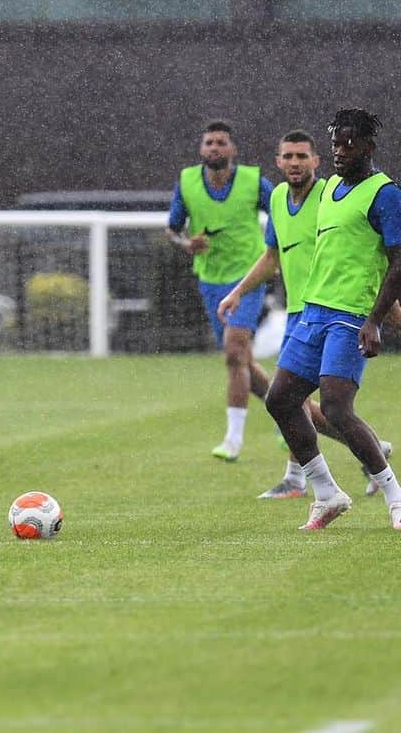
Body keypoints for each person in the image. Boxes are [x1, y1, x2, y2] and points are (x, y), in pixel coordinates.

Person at [218, 129, 392, 498]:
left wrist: (380, 315)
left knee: (321, 403)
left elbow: (366, 258)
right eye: (288, 156)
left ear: (317, 161)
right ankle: (321, 471)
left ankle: (357, 462)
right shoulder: (279, 198)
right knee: (293, 401)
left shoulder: (333, 194)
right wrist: (238, 292)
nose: (295, 163)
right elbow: (272, 258)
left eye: (302, 156)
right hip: (302, 312)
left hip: (336, 312)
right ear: (278, 162)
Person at [264, 108, 401, 530]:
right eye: (336, 144)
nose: (339, 152)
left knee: (337, 408)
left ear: (368, 147)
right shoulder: (328, 192)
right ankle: (326, 493)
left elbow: (397, 263)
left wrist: (375, 320)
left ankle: (395, 496)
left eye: (349, 144)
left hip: (349, 316)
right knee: (280, 400)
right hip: (312, 312)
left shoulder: (386, 194)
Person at [165, 120, 274, 462]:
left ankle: (233, 441)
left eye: (221, 142)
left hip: (248, 278)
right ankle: (296, 414)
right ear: (201, 149)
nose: (214, 148)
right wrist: (186, 244)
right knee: (242, 361)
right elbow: (172, 229)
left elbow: (286, 213)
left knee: (233, 353)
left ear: (232, 149)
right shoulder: (186, 183)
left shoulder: (255, 182)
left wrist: (281, 250)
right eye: (209, 142)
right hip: (211, 280)